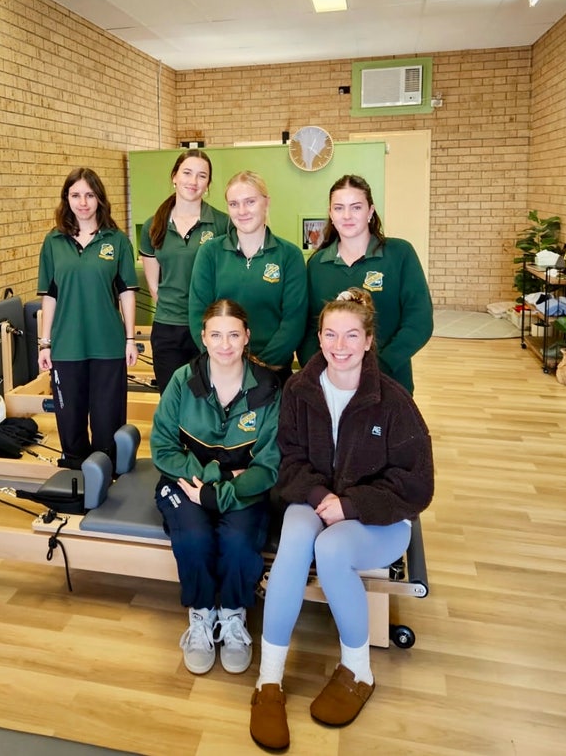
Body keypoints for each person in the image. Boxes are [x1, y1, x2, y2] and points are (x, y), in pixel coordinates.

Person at [248, 289, 434, 749]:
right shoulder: (299, 389)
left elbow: (417, 485)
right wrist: (317, 495)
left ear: (369, 340)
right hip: (313, 498)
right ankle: (268, 682)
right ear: (319, 337)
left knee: (331, 549)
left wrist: (350, 506)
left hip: (378, 519)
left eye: (352, 334)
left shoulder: (391, 400)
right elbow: (287, 461)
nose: (340, 344)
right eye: (330, 333)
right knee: (294, 542)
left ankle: (358, 671)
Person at [150, 299, 281, 676]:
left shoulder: (269, 389)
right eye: (217, 335)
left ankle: (233, 616)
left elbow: (269, 464)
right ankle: (202, 615)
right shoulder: (181, 381)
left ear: (247, 338)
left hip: (240, 489)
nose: (225, 345)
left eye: (234, 335)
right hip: (183, 482)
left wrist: (216, 491)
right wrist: (212, 479)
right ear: (203, 337)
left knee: (239, 544)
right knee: (194, 537)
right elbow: (163, 447)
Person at [37, 167, 139, 468]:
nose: (83, 202)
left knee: (108, 422)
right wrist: (45, 343)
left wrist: (131, 339)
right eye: (75, 195)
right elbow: (49, 295)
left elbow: (126, 293)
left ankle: (107, 480)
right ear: (66, 199)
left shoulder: (116, 241)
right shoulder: (54, 242)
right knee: (70, 421)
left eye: (89, 195)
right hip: (67, 347)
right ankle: (75, 478)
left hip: (108, 345)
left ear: (99, 199)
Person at [298, 174, 432, 394]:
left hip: (389, 381)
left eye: (356, 207)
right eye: (339, 208)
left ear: (370, 211)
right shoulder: (317, 265)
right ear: (331, 214)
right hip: (332, 386)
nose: (347, 215)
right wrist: (321, 371)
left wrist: (378, 368)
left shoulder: (399, 254)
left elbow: (419, 322)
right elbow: (309, 329)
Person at [188, 170, 307, 385]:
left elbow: (294, 321)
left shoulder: (289, 255)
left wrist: (261, 367)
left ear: (266, 202)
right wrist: (225, 361)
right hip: (221, 368)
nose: (242, 211)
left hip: (273, 371)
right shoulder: (210, 252)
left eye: (250, 202)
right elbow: (198, 314)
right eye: (234, 204)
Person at [140, 151, 228, 393]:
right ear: (174, 177)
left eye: (202, 176)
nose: (193, 181)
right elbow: (154, 285)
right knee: (171, 399)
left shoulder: (222, 223)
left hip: (207, 327)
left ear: (208, 185)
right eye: (187, 173)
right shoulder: (153, 225)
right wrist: (175, 310)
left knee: (207, 399)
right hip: (167, 328)